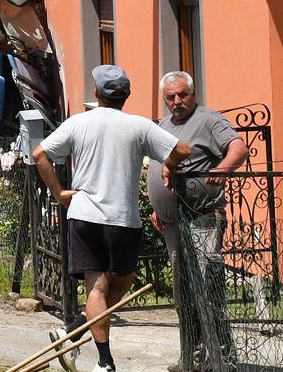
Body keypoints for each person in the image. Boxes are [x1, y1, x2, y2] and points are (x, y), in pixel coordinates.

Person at [34, 65, 191, 372]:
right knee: (121, 281)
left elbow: (40, 154)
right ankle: (105, 362)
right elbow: (182, 149)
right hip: (122, 217)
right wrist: (168, 164)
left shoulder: (78, 123)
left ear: (97, 94)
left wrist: (59, 193)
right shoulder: (138, 126)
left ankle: (73, 333)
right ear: (126, 96)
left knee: (98, 289)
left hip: (84, 214)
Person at [147, 72, 246, 372]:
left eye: (182, 95)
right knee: (183, 292)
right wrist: (158, 206)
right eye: (170, 97)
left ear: (193, 93)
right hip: (171, 222)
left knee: (207, 288)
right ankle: (189, 356)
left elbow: (239, 148)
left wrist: (225, 167)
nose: (176, 102)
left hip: (202, 218)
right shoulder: (163, 126)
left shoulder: (208, 120)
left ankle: (221, 357)